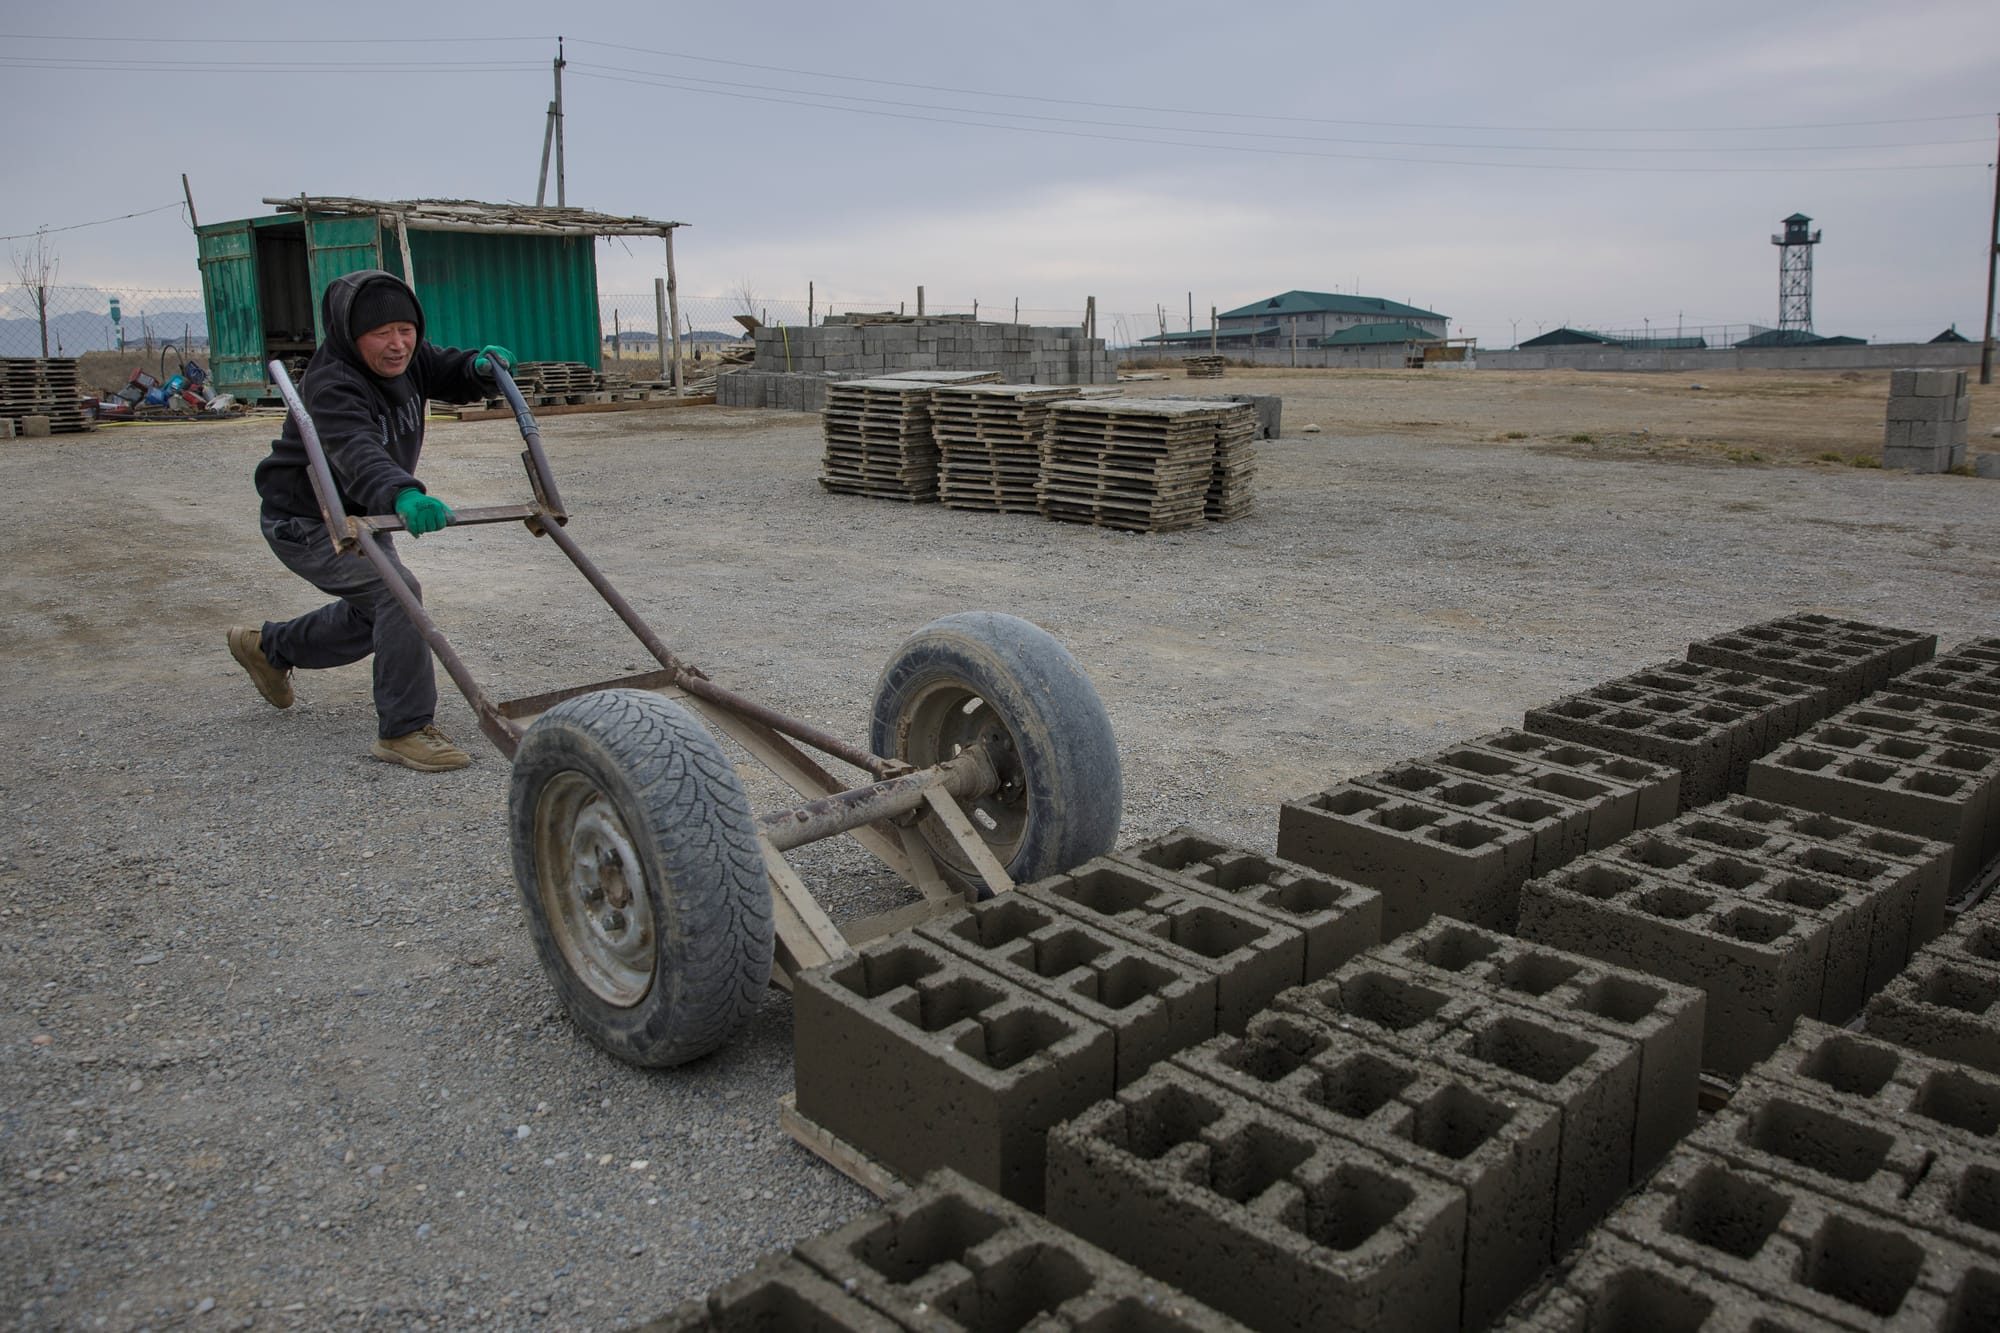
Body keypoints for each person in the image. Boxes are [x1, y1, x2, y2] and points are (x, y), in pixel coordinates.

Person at [228, 269, 511, 772]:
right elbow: (357, 451)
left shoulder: (410, 357)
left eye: (406, 329)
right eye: (381, 333)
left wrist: (477, 368)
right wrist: (402, 493)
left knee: (380, 613)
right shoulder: (331, 385)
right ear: (350, 334)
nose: (398, 344)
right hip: (307, 518)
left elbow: (446, 368)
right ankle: (404, 730)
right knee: (397, 595)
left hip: (361, 512)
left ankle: (270, 648)